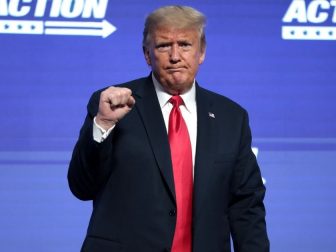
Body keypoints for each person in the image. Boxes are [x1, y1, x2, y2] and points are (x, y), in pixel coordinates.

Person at [68, 5, 269, 252]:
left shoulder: (232, 117)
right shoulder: (112, 104)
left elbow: (246, 205)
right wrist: (104, 123)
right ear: (146, 54)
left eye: (185, 44)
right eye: (164, 46)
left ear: (202, 52)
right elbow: (81, 186)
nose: (175, 56)